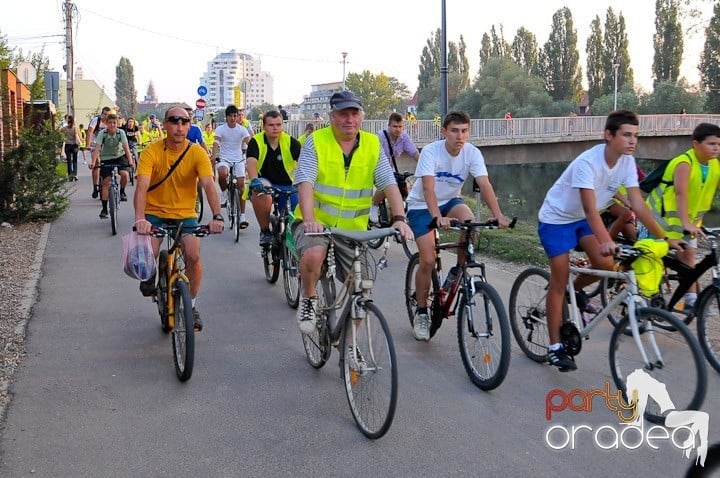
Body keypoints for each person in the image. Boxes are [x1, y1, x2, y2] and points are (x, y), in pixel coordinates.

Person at [538, 109, 684, 372]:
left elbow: (638, 204)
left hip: (581, 220)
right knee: (558, 281)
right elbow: (591, 209)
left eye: (636, 136)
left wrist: (666, 238)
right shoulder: (588, 163)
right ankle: (555, 347)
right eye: (626, 135)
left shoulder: (627, 162)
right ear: (608, 135)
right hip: (556, 219)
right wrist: (606, 239)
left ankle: (577, 291)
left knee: (605, 266)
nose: (632, 141)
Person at [292, 91, 413, 334]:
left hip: (353, 232)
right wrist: (309, 220)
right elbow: (304, 181)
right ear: (332, 116)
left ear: (361, 116)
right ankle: (308, 297)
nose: (349, 119)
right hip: (317, 224)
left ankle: (350, 345)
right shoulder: (315, 141)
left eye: (354, 113)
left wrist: (400, 219)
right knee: (314, 254)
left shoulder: (371, 144)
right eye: (343, 113)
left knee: (364, 289)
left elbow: (388, 183)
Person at [407, 111, 511, 341]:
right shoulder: (431, 152)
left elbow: (484, 184)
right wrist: (437, 217)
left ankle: (458, 270)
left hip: (452, 201)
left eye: (464, 131)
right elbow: (428, 189)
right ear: (444, 132)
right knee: (427, 259)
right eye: (454, 130)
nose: (460, 136)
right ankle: (422, 312)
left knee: (470, 224)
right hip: (421, 205)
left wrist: (498, 215)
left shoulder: (472, 153)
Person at [133, 107, 224, 331]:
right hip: (155, 214)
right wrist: (140, 219)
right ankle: (152, 275)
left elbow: (209, 185)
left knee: (193, 255)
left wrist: (217, 215)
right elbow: (142, 185)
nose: (179, 127)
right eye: (174, 122)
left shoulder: (197, 153)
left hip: (185, 214)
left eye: (185, 122)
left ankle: (190, 306)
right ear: (165, 124)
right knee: (149, 253)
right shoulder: (151, 151)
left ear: (189, 126)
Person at [642, 122, 720, 310]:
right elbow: (680, 193)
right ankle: (639, 299)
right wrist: (686, 222)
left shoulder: (715, 165)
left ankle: (692, 300)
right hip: (658, 220)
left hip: (686, 224)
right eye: (711, 144)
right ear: (695, 144)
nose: (716, 148)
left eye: (718, 144)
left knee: (688, 254)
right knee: (650, 259)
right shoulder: (684, 163)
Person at [246, 110, 302, 246]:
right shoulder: (256, 142)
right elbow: (251, 162)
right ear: (264, 126)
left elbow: (304, 164)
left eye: (278, 124)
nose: (275, 128)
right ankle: (265, 231)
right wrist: (254, 179)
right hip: (264, 183)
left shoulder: (291, 142)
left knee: (295, 217)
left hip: (288, 185)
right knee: (262, 192)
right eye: (271, 125)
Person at [369, 112, 421, 223]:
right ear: (389, 126)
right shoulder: (380, 137)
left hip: (391, 168)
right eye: (395, 126)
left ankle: (401, 212)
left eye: (400, 126)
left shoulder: (404, 137)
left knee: (402, 185)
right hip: (377, 168)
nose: (398, 129)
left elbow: (414, 152)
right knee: (386, 184)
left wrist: (425, 166)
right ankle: (374, 206)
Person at [211, 104, 251, 228]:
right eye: (230, 116)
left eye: (235, 116)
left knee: (241, 187)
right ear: (226, 117)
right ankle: (224, 193)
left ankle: (242, 216)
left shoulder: (242, 129)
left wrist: (253, 156)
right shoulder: (221, 129)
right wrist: (213, 156)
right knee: (222, 173)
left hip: (238, 159)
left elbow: (249, 142)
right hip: (224, 158)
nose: (233, 118)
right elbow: (216, 142)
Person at [91, 113, 135, 219]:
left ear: (117, 124)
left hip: (120, 156)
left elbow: (125, 147)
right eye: (110, 123)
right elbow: (97, 148)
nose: (112, 125)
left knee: (124, 174)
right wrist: (93, 162)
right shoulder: (103, 133)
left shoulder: (121, 133)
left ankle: (122, 191)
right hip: (106, 157)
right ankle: (105, 208)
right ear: (106, 123)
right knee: (106, 182)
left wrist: (130, 162)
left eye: (114, 123)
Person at [87, 106, 112, 198]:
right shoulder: (96, 121)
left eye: (108, 115)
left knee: (107, 163)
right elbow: (89, 132)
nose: (106, 116)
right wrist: (88, 145)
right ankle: (95, 187)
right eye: (104, 114)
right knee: (96, 163)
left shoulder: (110, 122)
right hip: (94, 145)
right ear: (102, 114)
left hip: (105, 146)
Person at [60, 115, 81, 181]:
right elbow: (79, 137)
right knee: (75, 160)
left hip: (67, 145)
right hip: (75, 145)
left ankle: (70, 176)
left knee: (69, 161)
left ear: (68, 120)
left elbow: (58, 131)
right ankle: (75, 174)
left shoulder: (65, 128)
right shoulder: (76, 128)